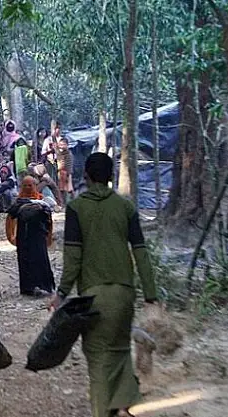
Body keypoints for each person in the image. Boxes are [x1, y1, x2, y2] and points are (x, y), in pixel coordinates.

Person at [50, 152, 158, 417]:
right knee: (120, 350)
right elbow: (141, 252)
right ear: (111, 177)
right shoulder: (126, 207)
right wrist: (151, 294)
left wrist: (61, 293)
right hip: (124, 293)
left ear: (86, 175)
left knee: (98, 358)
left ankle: (103, 411)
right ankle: (123, 404)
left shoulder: (77, 208)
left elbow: (73, 258)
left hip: (94, 295)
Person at [8, 175, 55, 297]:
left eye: (30, 185)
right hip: (23, 237)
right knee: (24, 261)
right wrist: (11, 237)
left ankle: (44, 286)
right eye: (25, 185)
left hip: (39, 236)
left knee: (41, 260)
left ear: (35, 186)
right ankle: (27, 288)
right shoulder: (18, 202)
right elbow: (10, 219)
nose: (28, 188)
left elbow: (49, 220)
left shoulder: (42, 201)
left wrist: (49, 236)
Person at [56, 137, 74, 206]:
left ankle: (66, 204)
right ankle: (62, 204)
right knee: (61, 189)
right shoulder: (60, 153)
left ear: (67, 145)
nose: (61, 146)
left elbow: (69, 166)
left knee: (67, 190)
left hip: (66, 173)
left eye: (63, 144)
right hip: (60, 173)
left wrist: (68, 175)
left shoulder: (68, 154)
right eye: (60, 145)